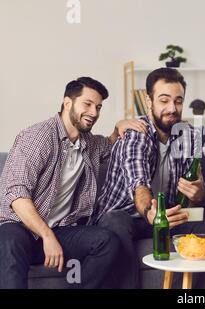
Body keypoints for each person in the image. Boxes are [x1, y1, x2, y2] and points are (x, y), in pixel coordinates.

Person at [0, 77, 148, 288]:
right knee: (8, 241)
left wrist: (118, 128)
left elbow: (109, 144)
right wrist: (47, 236)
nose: (94, 113)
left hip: (60, 230)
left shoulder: (89, 144)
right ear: (67, 103)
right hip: (20, 228)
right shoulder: (37, 137)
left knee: (107, 242)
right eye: (87, 104)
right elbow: (16, 194)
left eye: (98, 107)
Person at [93, 67, 205, 288]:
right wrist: (150, 212)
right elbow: (138, 183)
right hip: (126, 214)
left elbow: (200, 195)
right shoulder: (136, 133)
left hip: (165, 216)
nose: (172, 108)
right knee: (116, 222)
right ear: (149, 100)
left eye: (178, 101)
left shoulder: (190, 136)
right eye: (164, 100)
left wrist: (200, 195)